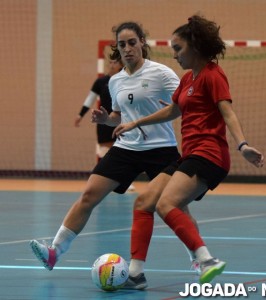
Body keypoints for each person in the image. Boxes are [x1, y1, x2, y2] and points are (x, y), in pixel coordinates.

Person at [29, 21, 200, 274]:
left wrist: (174, 111)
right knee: (88, 195)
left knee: (176, 206)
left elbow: (183, 105)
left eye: (132, 42)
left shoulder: (162, 74)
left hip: (161, 148)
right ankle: (54, 251)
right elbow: (120, 116)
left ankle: (198, 258)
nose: (128, 48)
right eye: (122, 44)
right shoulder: (114, 81)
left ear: (142, 42)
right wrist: (105, 119)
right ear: (117, 48)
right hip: (126, 148)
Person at [113, 14, 264, 288]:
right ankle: (135, 274)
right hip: (189, 155)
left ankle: (207, 261)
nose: (174, 55)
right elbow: (173, 110)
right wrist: (135, 121)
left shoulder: (212, 74)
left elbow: (227, 112)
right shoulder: (187, 79)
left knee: (166, 204)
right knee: (144, 203)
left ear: (195, 48)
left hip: (209, 154)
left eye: (178, 49)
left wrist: (242, 145)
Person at [74, 59, 123, 162]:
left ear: (121, 64)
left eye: (116, 62)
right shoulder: (101, 81)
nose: (112, 64)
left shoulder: (125, 81)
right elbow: (90, 99)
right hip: (104, 121)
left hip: (121, 121)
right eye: (111, 62)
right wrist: (80, 115)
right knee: (104, 152)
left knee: (121, 152)